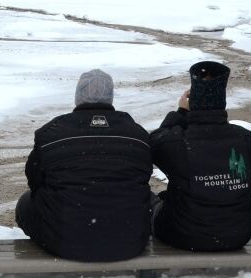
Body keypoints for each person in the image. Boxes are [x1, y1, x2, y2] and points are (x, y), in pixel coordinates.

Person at [16, 69, 152, 261]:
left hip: (65, 242)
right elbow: (143, 178)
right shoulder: (137, 134)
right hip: (129, 241)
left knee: (25, 202)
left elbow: (35, 179)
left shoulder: (51, 133)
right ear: (110, 97)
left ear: (78, 96)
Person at [149, 61, 251, 251]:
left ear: (194, 101)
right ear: (222, 100)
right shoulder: (244, 138)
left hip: (183, 235)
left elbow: (153, 145)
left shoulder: (176, 141)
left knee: (152, 202)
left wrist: (181, 112)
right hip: (237, 234)